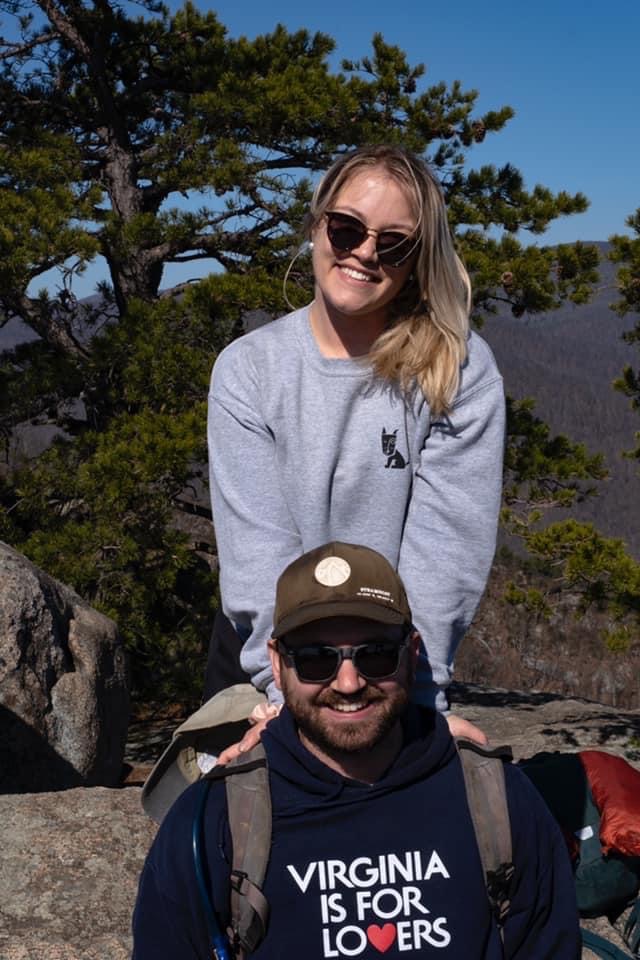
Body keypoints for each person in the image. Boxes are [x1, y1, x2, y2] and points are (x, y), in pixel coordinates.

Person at [132, 542, 581, 959]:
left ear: (412, 654)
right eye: (316, 659)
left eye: (376, 654)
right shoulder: (212, 822)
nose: (348, 683)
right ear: (276, 662)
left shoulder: (498, 799)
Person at [206, 144, 505, 742]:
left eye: (393, 242)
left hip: (387, 662)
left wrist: (417, 698)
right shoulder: (248, 371)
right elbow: (258, 550)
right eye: (347, 229)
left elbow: (445, 553)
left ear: (419, 260)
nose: (365, 252)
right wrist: (283, 692)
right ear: (318, 226)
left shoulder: (457, 371)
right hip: (272, 657)